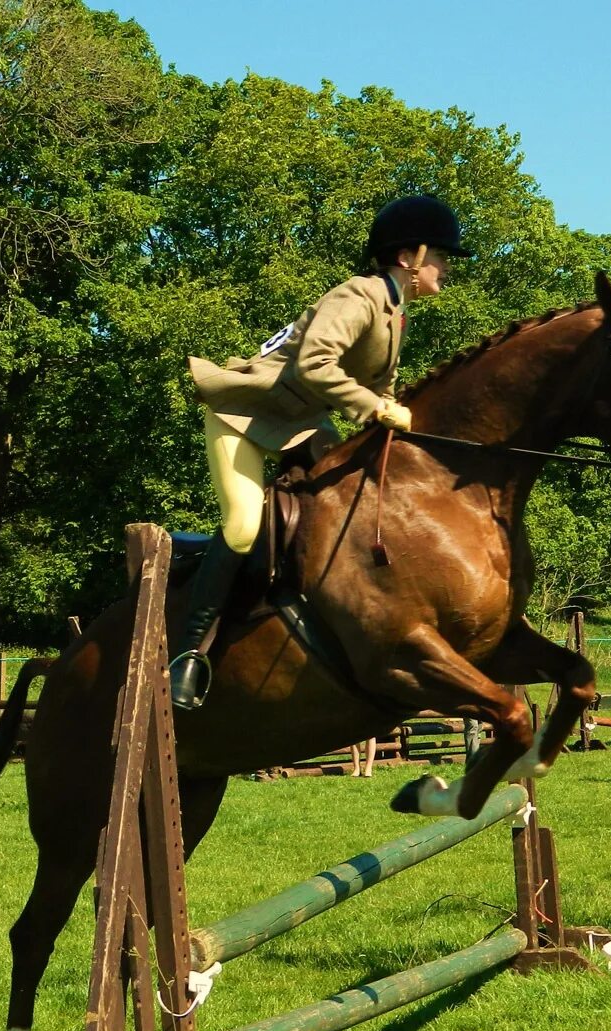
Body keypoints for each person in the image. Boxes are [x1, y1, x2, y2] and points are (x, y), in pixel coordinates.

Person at [170, 194, 468, 710]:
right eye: (440, 256)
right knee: (243, 522)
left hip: (301, 422)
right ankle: (189, 654)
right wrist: (374, 409)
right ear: (408, 258)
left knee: (351, 503)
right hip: (244, 414)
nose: (446, 267)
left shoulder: (395, 310)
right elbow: (314, 365)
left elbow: (385, 384)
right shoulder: (358, 296)